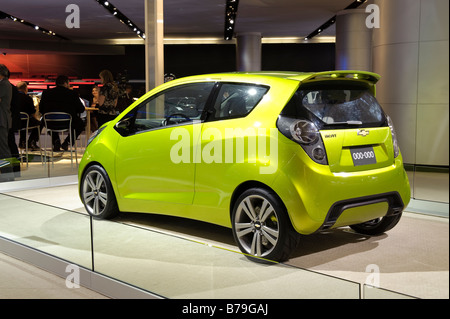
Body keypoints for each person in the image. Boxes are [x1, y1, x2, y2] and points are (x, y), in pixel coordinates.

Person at [39, 75, 85, 152]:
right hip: (68, 122)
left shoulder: (46, 93)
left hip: (50, 122)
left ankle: (56, 140)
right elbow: (81, 109)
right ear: (65, 83)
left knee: (47, 121)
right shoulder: (72, 94)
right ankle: (67, 142)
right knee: (80, 123)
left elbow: (41, 109)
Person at [16, 81, 40, 150]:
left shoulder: (12, 98)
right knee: (38, 123)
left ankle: (22, 142)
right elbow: (32, 112)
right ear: (25, 89)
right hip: (25, 122)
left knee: (23, 121)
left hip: (15, 121)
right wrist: (36, 119)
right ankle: (31, 141)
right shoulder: (28, 98)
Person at [0, 64, 13, 181]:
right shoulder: (6, 84)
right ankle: (6, 174)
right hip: (3, 120)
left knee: (3, 149)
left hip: (2, 120)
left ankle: (7, 175)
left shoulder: (3, 85)